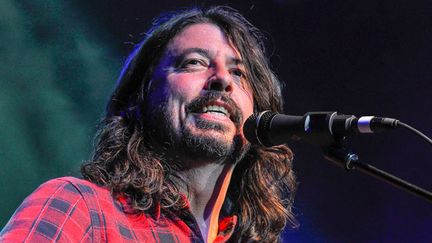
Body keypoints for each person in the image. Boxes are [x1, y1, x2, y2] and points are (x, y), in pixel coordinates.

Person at [0, 6, 296, 243]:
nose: (222, 79)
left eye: (239, 73)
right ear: (140, 98)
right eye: (194, 62)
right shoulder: (82, 209)